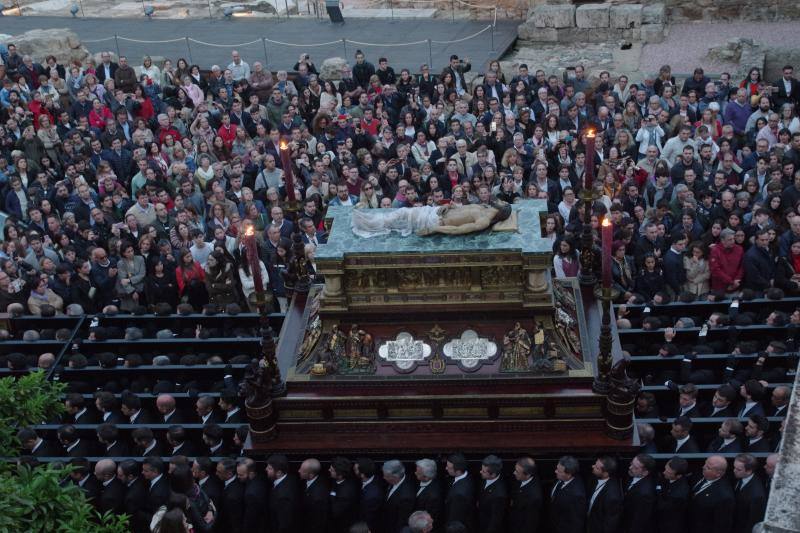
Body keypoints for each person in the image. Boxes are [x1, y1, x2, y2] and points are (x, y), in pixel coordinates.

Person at [352, 201, 511, 238]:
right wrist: (449, 206)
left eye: (503, 202)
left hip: (436, 222)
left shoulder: (483, 221)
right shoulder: (483, 206)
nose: (500, 200)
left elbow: (458, 230)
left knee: (401, 214)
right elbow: (459, 208)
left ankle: (369, 224)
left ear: (502, 209)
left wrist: (434, 229)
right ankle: (373, 220)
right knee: (401, 213)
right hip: (436, 211)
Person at [688, 455, 734, 533]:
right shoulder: (699, 474)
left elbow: (721, 526)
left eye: (708, 467)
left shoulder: (724, 496)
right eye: (705, 463)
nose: (703, 467)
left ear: (718, 474)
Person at [548, 456, 586, 533]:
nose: (555, 471)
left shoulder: (576, 495)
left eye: (559, 471)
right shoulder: (561, 478)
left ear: (569, 474)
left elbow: (576, 523)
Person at [587, 456, 623, 533]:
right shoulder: (594, 478)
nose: (593, 467)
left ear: (605, 473)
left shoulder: (612, 496)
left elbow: (609, 525)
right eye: (595, 464)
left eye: (597, 468)